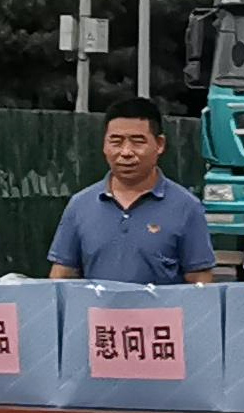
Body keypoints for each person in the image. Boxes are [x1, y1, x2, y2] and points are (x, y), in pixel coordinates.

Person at [47, 97, 216, 286]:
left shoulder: (187, 207)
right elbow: (61, 276)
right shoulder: (80, 206)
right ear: (104, 145)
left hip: (162, 307)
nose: (126, 152)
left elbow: (200, 282)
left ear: (159, 144)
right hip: (97, 306)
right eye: (116, 142)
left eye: (137, 142)